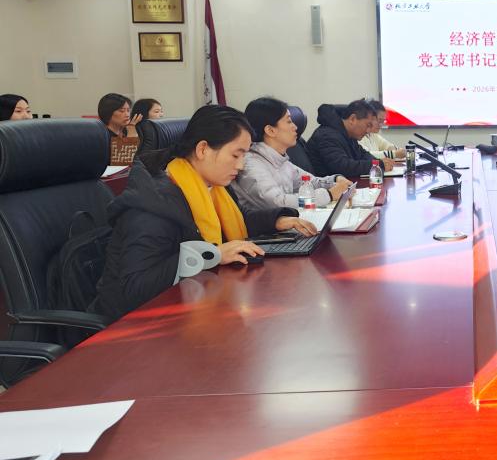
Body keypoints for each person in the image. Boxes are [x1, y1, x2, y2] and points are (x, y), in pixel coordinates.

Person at [92, 105, 316, 321]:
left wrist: (276, 220)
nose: (241, 166)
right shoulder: (155, 204)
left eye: (244, 156)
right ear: (202, 150)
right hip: (137, 327)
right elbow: (135, 288)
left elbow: (236, 220)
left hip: (192, 305)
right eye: (235, 155)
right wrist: (211, 255)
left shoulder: (212, 188)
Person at [233, 97, 353, 211]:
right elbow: (278, 202)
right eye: (289, 121)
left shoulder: (280, 160)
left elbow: (310, 182)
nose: (295, 127)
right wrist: (329, 195)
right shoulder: (251, 164)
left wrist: (336, 180)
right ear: (270, 130)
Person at [308, 99, 397, 177]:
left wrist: (379, 162)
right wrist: (378, 165)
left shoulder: (348, 135)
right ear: (352, 119)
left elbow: (363, 155)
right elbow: (343, 167)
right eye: (368, 125)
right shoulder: (327, 135)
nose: (368, 131)